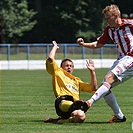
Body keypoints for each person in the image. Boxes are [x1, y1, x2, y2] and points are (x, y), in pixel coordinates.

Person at [77, 4, 133, 123]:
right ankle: (119, 116)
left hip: (131, 58)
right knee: (105, 86)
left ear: (116, 16)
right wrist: (83, 44)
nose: (106, 20)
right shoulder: (109, 30)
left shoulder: (130, 24)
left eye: (108, 18)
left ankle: (89, 103)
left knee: (108, 79)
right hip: (122, 59)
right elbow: (98, 44)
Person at [44, 40, 98, 124]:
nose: (69, 67)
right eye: (67, 65)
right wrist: (55, 47)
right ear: (61, 67)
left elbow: (94, 88)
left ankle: (58, 120)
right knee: (74, 105)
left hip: (74, 104)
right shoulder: (58, 72)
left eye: (71, 66)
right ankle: (76, 106)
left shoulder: (77, 81)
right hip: (62, 102)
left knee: (81, 116)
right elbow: (51, 58)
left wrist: (92, 72)